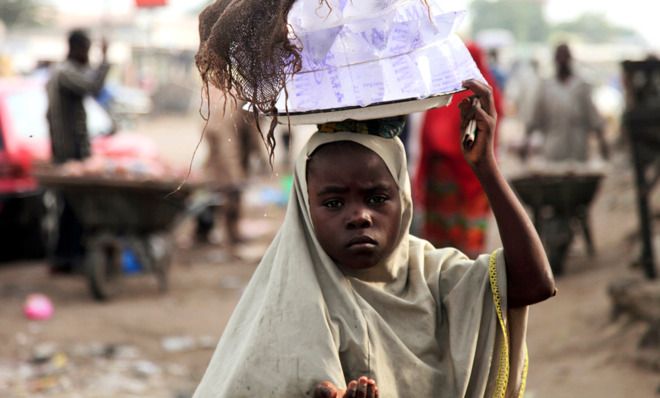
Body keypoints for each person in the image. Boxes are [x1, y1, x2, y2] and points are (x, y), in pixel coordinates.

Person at [193, 79, 556, 397]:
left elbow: (534, 284)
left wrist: (485, 168)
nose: (359, 216)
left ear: (404, 198)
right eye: (334, 202)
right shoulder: (286, 303)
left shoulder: (435, 276)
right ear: (305, 207)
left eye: (377, 198)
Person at [414, 42, 504, 258]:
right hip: (471, 178)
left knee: (443, 249)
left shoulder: (445, 94)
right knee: (466, 247)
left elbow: (433, 137)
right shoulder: (486, 93)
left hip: (447, 179)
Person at [46, 29, 110, 272]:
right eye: (87, 49)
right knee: (73, 206)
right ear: (76, 48)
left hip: (71, 151)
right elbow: (93, 86)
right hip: (68, 153)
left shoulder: (63, 72)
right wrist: (104, 59)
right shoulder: (64, 73)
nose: (88, 55)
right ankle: (66, 257)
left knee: (73, 206)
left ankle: (70, 255)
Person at [521, 42, 608, 162]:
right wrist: (525, 144)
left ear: (570, 59)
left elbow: (594, 117)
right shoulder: (546, 87)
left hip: (578, 149)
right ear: (555, 59)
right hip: (553, 149)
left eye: (565, 56)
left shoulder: (582, 86)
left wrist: (603, 144)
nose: (562, 60)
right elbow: (534, 118)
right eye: (559, 56)